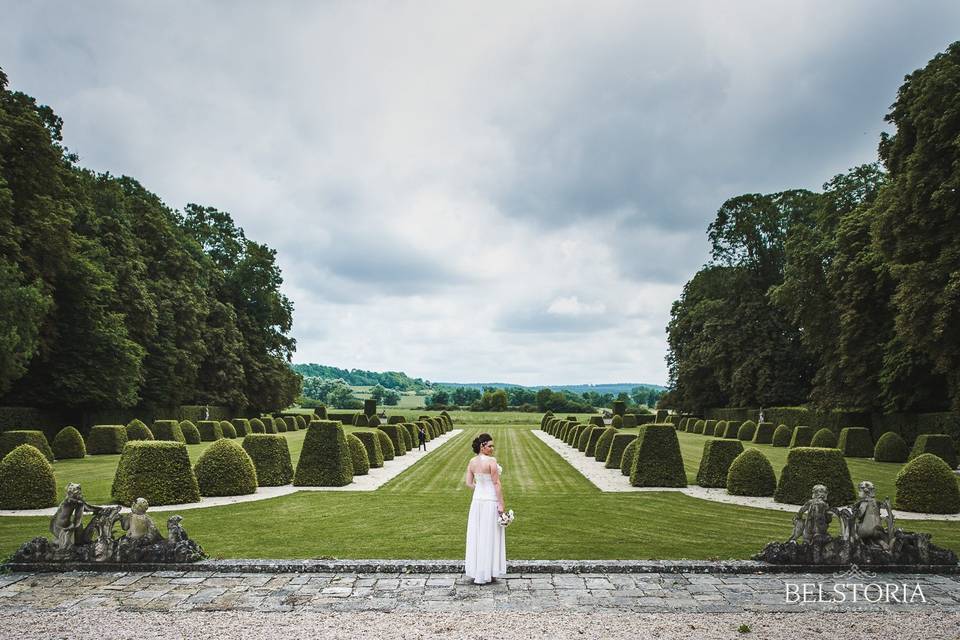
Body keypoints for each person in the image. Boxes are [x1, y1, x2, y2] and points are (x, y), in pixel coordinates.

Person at [464, 433, 506, 585]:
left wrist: (480, 489)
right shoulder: (491, 461)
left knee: (478, 534)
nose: (492, 448)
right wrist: (501, 504)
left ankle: (478, 572)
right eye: (490, 446)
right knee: (490, 535)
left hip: (477, 501)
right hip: (490, 501)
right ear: (482, 446)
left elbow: (469, 483)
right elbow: (496, 484)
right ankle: (490, 572)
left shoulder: (472, 461)